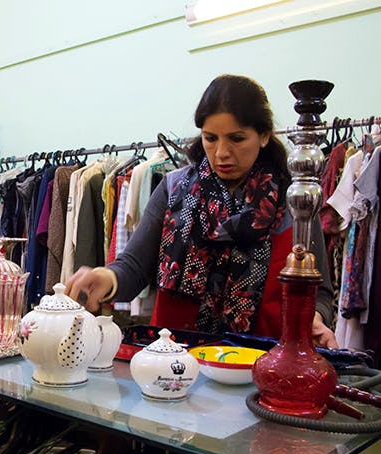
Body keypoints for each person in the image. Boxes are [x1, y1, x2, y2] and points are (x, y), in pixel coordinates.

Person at [65, 75, 338, 348]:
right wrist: (107, 277)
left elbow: (321, 292)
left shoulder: (294, 199)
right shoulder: (175, 189)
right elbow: (135, 266)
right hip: (176, 362)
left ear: (264, 135)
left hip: (261, 364)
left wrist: (314, 318)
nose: (221, 152)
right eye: (210, 138)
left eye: (237, 139)